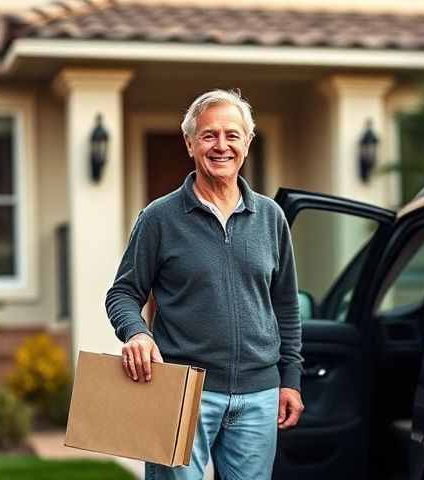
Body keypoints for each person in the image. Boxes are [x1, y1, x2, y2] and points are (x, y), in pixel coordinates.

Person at [105, 89, 304, 480]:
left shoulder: (271, 218)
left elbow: (286, 306)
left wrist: (290, 380)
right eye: (209, 135)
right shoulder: (159, 218)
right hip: (181, 391)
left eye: (232, 135)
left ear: (247, 143)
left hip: (259, 395)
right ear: (190, 143)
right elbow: (123, 294)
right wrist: (137, 334)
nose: (221, 145)